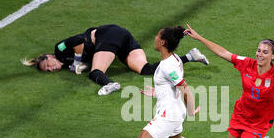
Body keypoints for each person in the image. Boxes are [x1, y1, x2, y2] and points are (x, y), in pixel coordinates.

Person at [110, 26, 213, 138]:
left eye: (157, 36)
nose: (155, 38)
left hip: (169, 115)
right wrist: (158, 92)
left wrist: (191, 111)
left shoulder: (167, 66)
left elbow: (184, 87)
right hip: (175, 110)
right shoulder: (174, 59)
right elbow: (172, 86)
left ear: (163, 42)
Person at [22, 24, 209, 95]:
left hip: (108, 36)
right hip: (121, 37)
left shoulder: (59, 50)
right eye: (48, 70)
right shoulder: (65, 64)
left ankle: (109, 84)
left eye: (48, 64)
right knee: (145, 69)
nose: (51, 68)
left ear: (49, 57)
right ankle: (191, 56)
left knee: (96, 72)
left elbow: (79, 40)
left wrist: (78, 61)